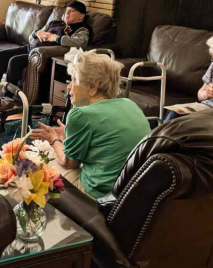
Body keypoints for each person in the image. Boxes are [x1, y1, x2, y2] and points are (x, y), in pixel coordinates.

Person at [31, 51, 150, 199]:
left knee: (35, 160)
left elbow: (69, 163)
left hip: (98, 194)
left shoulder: (81, 115)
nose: (69, 87)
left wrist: (53, 139)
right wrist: (69, 134)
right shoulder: (130, 104)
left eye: (74, 80)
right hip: (130, 193)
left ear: (93, 87)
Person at [0, 1, 89, 108]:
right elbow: (31, 37)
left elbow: (80, 42)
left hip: (40, 54)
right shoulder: (55, 22)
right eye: (66, 10)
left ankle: (8, 99)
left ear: (81, 16)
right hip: (29, 47)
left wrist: (56, 38)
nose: (67, 13)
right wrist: (36, 33)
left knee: (14, 61)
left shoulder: (81, 30)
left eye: (71, 11)